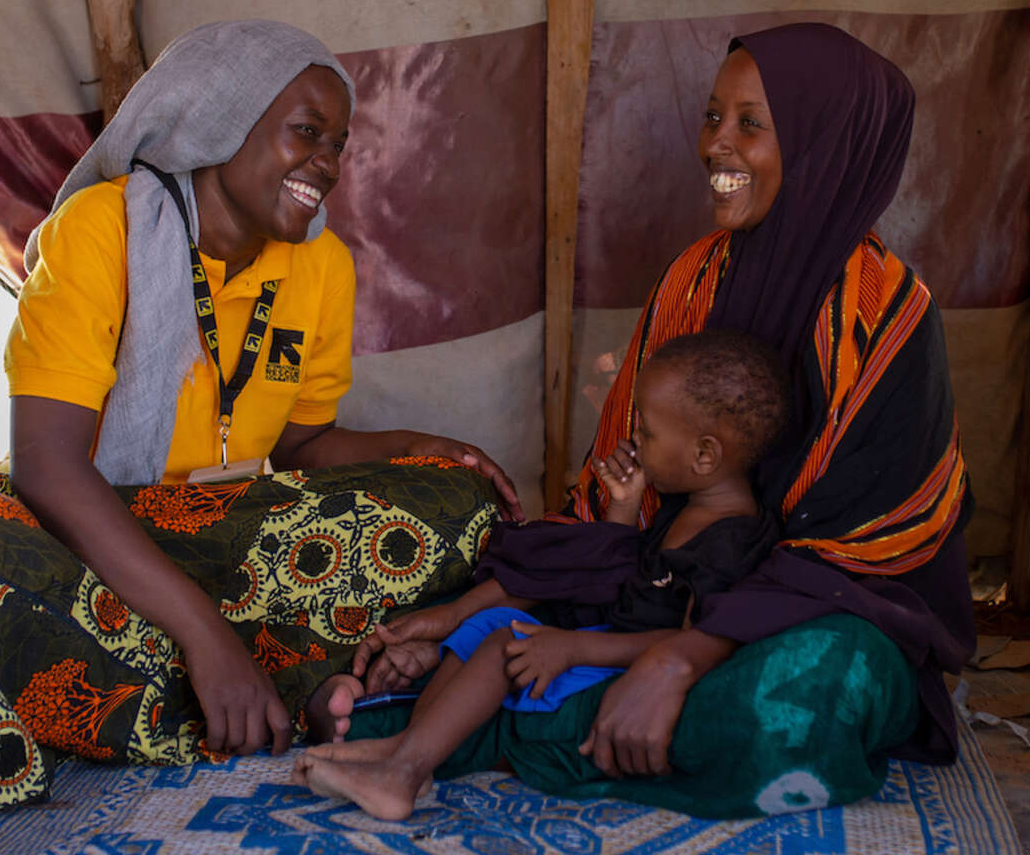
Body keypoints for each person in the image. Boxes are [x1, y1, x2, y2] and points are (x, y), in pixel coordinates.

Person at [0, 20, 523, 830]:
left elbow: (300, 449)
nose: (327, 165)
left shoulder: (321, 265)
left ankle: (140, 691)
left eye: (338, 143)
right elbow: (46, 469)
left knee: (460, 506)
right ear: (217, 120)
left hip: (226, 539)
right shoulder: (100, 231)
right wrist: (207, 639)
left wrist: (423, 452)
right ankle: (275, 679)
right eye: (306, 133)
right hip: (91, 539)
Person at [344, 23, 974, 819]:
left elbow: (860, 557)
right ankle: (493, 719)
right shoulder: (694, 278)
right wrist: (477, 607)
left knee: (801, 696)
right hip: (668, 585)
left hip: (824, 614)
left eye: (752, 123)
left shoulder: (886, 316)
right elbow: (623, 503)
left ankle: (484, 728)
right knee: (503, 599)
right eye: (714, 117)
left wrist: (683, 655)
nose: (717, 145)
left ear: (826, 143)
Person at [293, 330, 785, 820]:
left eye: (649, 432)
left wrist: (573, 647)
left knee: (508, 642)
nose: (634, 436)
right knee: (488, 624)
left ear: (705, 456)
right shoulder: (684, 508)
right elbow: (618, 578)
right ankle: (410, 754)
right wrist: (624, 509)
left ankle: (400, 775)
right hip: (608, 636)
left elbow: (695, 641)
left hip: (621, 658)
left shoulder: (731, 538)